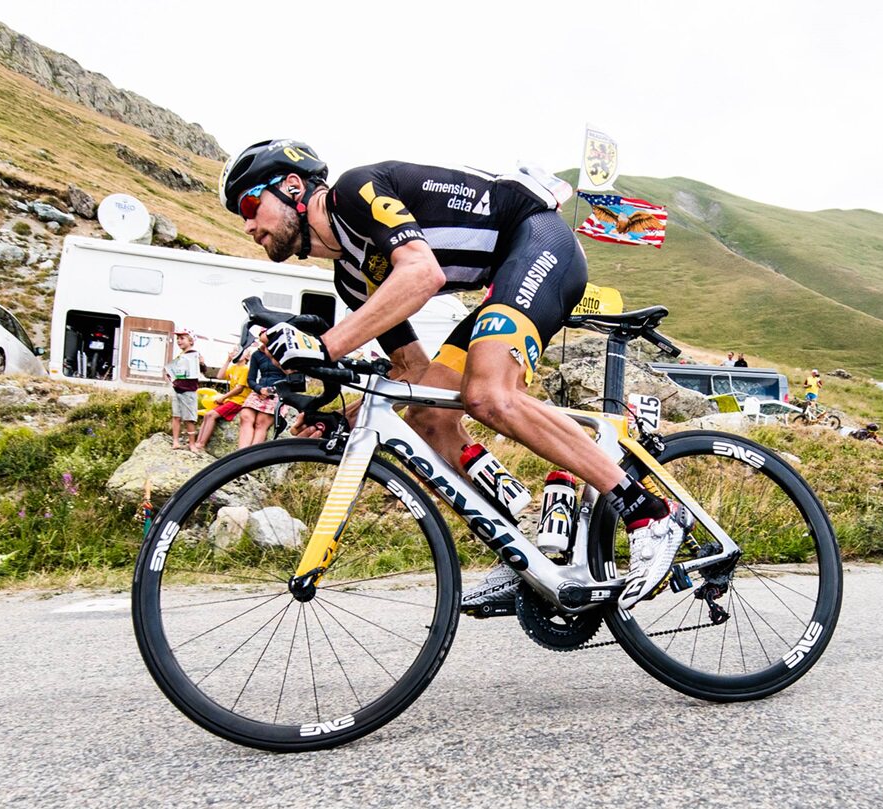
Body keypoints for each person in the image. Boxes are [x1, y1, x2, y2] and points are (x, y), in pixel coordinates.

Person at [220, 139, 693, 610]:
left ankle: (649, 514)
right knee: (428, 417)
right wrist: (349, 415)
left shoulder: (354, 191)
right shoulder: (350, 279)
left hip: (537, 240)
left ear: (293, 186)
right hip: (503, 278)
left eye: (249, 205)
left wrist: (324, 346)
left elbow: (422, 273)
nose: (247, 225)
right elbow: (411, 372)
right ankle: (523, 547)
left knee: (488, 394)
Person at [192, 344, 252, 454]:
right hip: (231, 399)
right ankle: (198, 442)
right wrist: (228, 360)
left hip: (239, 401)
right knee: (207, 414)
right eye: (234, 350)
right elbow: (219, 376)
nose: (236, 352)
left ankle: (201, 444)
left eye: (239, 351)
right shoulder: (233, 368)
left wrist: (223, 397)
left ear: (247, 357)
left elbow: (239, 389)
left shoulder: (245, 369)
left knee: (211, 415)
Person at [239, 329, 288, 448]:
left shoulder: (283, 352)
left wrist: (271, 391)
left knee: (261, 422)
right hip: (260, 390)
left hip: (278, 392)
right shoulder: (257, 354)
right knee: (245, 416)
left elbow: (291, 378)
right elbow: (251, 379)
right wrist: (259, 389)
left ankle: (252, 456)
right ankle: (240, 454)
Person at [164, 329, 208, 450]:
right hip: (177, 389)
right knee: (176, 416)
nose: (179, 341)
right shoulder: (181, 356)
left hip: (189, 391)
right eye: (178, 338)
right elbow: (172, 371)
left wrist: (202, 363)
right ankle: (175, 441)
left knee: (189, 419)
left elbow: (203, 370)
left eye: (182, 338)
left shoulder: (195, 354)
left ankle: (192, 444)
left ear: (191, 341)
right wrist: (171, 376)